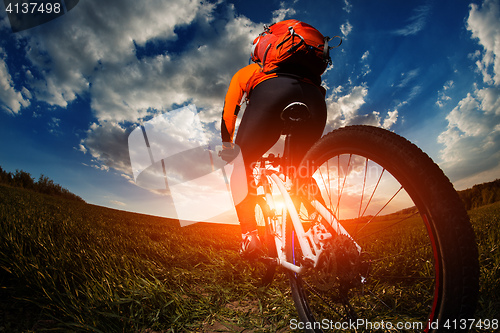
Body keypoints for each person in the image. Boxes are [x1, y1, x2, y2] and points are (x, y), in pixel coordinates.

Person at [220, 21, 329, 258]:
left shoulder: (248, 72)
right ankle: (325, 227)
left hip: (272, 94)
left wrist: (228, 146)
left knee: (241, 165)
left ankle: (249, 236)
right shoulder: (307, 73)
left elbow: (229, 113)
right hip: (316, 100)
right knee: (300, 171)